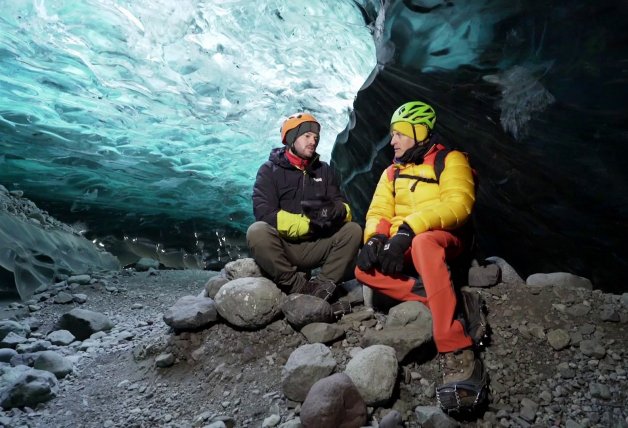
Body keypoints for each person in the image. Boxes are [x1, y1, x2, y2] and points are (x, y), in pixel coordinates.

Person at [354, 101, 487, 412]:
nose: (393, 141)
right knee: (362, 269)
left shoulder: (450, 160)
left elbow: (459, 205)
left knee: (425, 242)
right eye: (392, 134)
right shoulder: (392, 172)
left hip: (442, 240)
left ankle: (456, 346)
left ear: (420, 132)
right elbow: (379, 212)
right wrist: (374, 240)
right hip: (404, 243)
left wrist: (408, 231)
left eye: (399, 134)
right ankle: (447, 300)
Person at [247, 112, 362, 306]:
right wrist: (308, 224)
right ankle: (297, 285)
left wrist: (335, 211)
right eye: (307, 136)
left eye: (316, 137)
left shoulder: (324, 170)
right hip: (284, 246)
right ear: (291, 138)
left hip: (316, 244)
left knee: (353, 230)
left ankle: (323, 285)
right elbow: (265, 214)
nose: (313, 141)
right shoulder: (269, 170)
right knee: (257, 232)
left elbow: (342, 206)